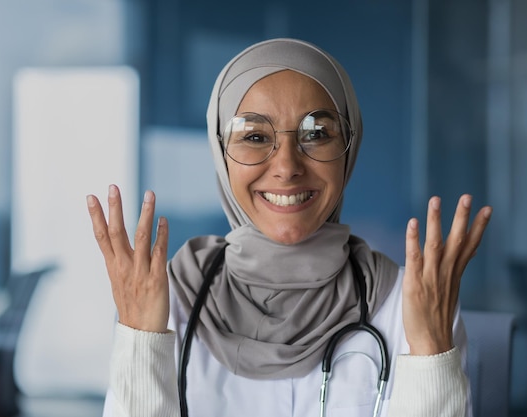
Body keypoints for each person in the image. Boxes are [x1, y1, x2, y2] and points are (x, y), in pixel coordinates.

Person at [86, 38, 492, 417]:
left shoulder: (411, 305)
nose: (286, 167)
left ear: (349, 146)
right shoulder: (166, 301)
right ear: (219, 152)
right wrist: (140, 342)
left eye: (317, 133)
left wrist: (431, 354)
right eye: (255, 135)